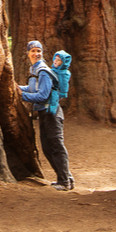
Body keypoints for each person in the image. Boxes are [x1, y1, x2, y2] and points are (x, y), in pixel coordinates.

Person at [19, 40, 74, 190]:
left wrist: (21, 96)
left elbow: (43, 95)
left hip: (52, 113)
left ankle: (64, 182)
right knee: (48, 148)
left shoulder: (42, 71)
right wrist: (16, 88)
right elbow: (32, 88)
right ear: (28, 53)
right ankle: (66, 178)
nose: (36, 54)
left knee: (55, 146)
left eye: (39, 51)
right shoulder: (35, 69)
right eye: (33, 51)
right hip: (45, 113)